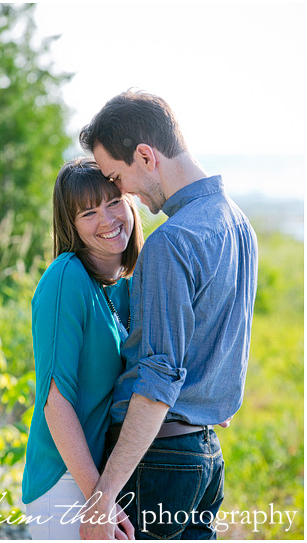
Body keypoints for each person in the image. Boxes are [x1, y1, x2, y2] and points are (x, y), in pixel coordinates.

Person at [78, 90, 258, 540]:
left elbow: (158, 379)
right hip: (206, 456)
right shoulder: (239, 226)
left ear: (145, 155)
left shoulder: (171, 242)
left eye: (117, 177)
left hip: (157, 459)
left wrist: (102, 499)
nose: (122, 192)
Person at [22, 158, 141, 540]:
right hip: (66, 482)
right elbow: (55, 401)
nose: (107, 219)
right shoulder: (66, 276)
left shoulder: (122, 287)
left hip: (101, 477)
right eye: (88, 212)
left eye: (113, 202)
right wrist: (97, 502)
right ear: (70, 225)